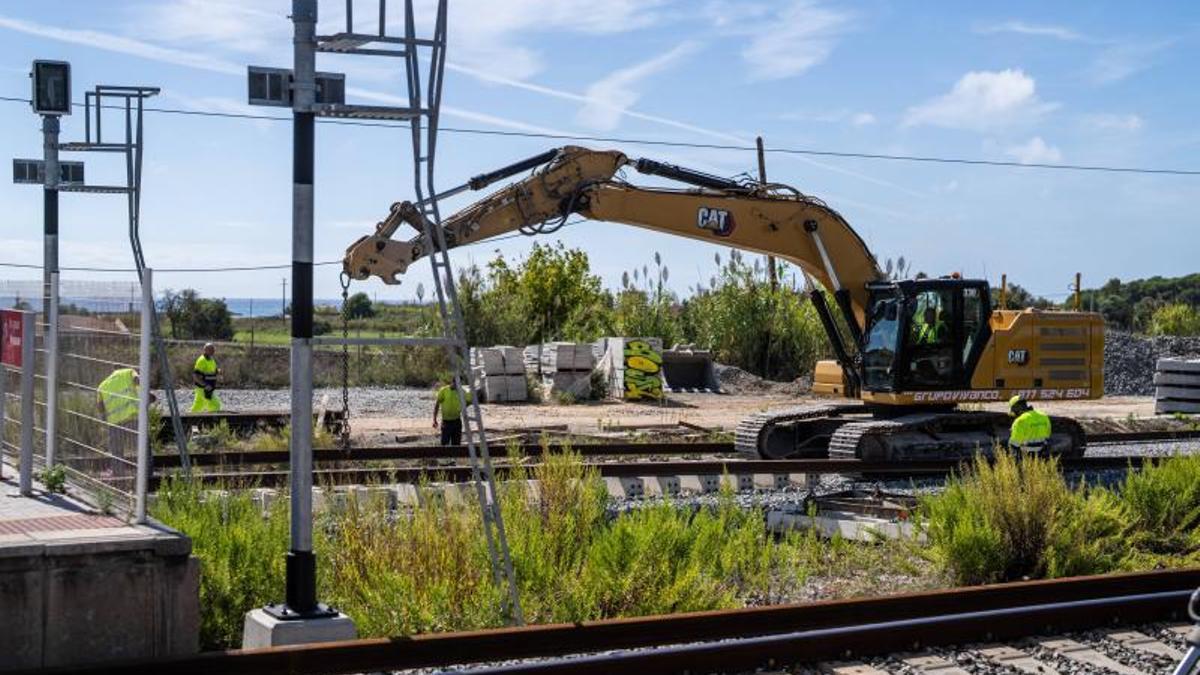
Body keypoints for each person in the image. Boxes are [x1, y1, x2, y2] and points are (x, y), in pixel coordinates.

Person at [96, 368, 155, 476]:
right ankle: (147, 474)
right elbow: (138, 381)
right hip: (132, 417)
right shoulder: (128, 372)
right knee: (143, 446)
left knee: (117, 451)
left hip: (114, 422)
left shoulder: (102, 386)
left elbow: (100, 408)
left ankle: (118, 473)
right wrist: (148, 395)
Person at [433, 378, 472, 446]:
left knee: (456, 445)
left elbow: (469, 401)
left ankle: (455, 456)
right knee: (444, 444)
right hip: (446, 422)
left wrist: (462, 407)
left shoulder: (462, 392)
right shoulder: (444, 390)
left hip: (456, 421)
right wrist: (434, 419)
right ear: (452, 382)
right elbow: (437, 404)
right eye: (456, 384)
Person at [191, 342, 221, 413]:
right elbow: (195, 376)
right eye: (211, 349)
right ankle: (212, 421)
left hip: (208, 387)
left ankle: (189, 419)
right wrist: (205, 385)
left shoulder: (211, 359)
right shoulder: (201, 360)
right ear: (205, 350)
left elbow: (213, 371)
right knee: (215, 406)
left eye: (213, 349)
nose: (213, 351)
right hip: (204, 388)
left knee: (198, 406)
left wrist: (218, 372)